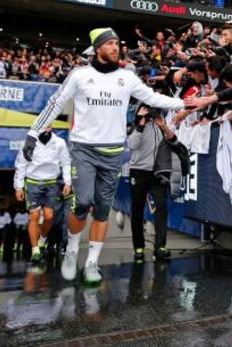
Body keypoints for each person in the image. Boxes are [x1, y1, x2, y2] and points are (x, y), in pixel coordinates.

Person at [21, 27, 196, 284]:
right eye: (111, 43)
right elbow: (55, 103)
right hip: (84, 149)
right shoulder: (80, 75)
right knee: (82, 202)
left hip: (113, 152)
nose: (116, 48)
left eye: (117, 44)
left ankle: (92, 263)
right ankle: (71, 250)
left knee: (102, 209)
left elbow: (153, 97)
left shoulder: (127, 77)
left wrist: (188, 104)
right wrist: (33, 133)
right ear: (98, 48)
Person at [14, 126, 71, 269]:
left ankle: (42, 241)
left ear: (51, 128)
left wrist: (67, 182)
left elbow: (66, 163)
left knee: (49, 216)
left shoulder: (59, 143)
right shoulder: (29, 142)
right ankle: (35, 251)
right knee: (34, 216)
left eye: (48, 124)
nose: (46, 127)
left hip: (51, 183)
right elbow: (21, 165)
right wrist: (19, 187)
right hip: (32, 183)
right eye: (42, 124)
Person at [128, 106, 178, 262]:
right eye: (149, 110)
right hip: (138, 172)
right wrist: (141, 123)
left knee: (162, 207)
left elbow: (173, 139)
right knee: (137, 209)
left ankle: (160, 247)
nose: (152, 113)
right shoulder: (137, 124)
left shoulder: (160, 123)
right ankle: (138, 247)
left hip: (157, 172)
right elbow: (132, 144)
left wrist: (163, 125)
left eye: (155, 110)